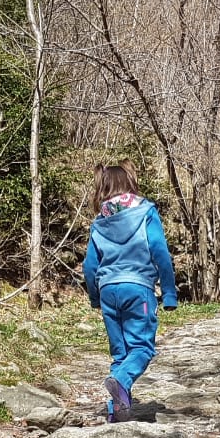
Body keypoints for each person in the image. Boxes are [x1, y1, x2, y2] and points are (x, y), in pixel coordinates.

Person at [81, 163, 178, 422]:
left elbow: (90, 265)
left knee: (120, 354)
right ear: (130, 182)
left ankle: (117, 414)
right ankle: (120, 382)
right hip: (138, 288)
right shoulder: (146, 211)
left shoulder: (99, 222)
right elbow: (159, 251)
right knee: (142, 349)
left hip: (108, 291)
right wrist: (169, 292)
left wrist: (95, 297)